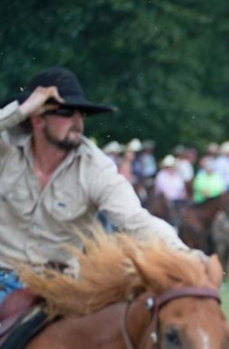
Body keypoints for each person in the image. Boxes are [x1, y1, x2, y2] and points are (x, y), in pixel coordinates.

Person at [0, 66, 190, 304]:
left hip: (57, 288)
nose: (77, 120)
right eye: (67, 111)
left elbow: (136, 221)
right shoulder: (5, 148)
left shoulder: (96, 167)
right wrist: (22, 109)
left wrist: (186, 257)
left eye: (82, 113)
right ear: (37, 119)